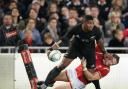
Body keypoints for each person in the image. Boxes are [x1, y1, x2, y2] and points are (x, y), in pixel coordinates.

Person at [38, 15, 109, 89]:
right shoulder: (76, 28)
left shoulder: (96, 30)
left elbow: (100, 42)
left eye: (92, 23)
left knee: (91, 71)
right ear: (83, 23)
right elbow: (64, 39)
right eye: (89, 23)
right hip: (75, 48)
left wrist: (105, 52)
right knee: (61, 66)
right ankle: (45, 84)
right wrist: (51, 48)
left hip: (88, 50)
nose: (91, 25)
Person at [52, 51, 119, 89]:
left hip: (79, 82)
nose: (110, 63)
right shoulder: (100, 54)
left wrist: (84, 68)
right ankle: (45, 84)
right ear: (109, 56)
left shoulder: (106, 69)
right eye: (111, 60)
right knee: (52, 77)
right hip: (74, 72)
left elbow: (91, 78)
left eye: (113, 64)